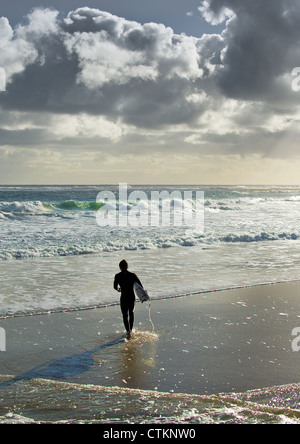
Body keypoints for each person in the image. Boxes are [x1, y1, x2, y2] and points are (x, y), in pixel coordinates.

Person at [114, 259, 143, 339]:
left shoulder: (117, 276)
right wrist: (142, 296)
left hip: (123, 297)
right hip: (131, 296)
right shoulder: (132, 275)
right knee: (131, 313)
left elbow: (115, 286)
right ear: (127, 266)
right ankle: (131, 330)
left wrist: (118, 289)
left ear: (120, 267)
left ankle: (128, 331)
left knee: (124, 315)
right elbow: (140, 286)